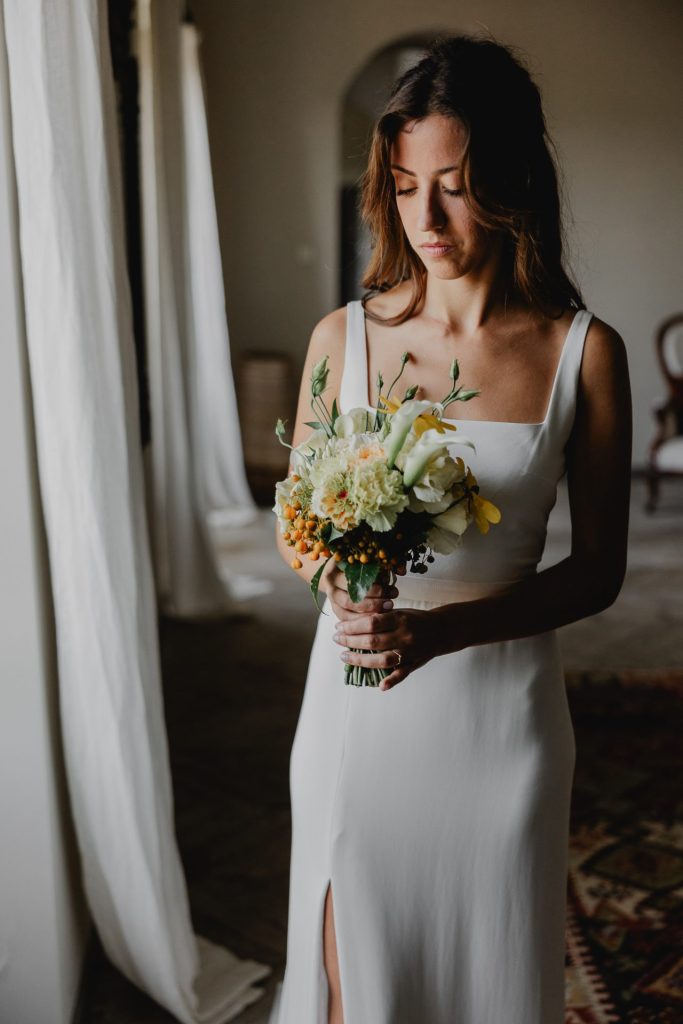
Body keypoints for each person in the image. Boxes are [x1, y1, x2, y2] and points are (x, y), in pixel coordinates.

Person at [270, 34, 631, 1024]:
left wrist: (440, 632)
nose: (422, 216)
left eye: (455, 185)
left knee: (482, 980)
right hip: (356, 709)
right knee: (351, 981)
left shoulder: (582, 354)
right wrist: (334, 579)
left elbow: (597, 571)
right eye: (401, 183)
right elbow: (296, 523)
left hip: (497, 721)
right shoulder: (340, 340)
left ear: (511, 181)